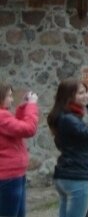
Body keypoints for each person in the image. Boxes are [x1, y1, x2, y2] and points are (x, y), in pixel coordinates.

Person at [48, 79, 88, 217]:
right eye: (80, 93)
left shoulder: (70, 117)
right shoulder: (68, 119)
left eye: (86, 91)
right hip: (76, 177)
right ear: (68, 96)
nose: (85, 95)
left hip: (69, 174)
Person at [0, 84, 39, 217]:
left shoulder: (4, 116)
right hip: (8, 178)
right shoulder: (1, 117)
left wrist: (23, 107)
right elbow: (28, 129)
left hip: (14, 175)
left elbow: (17, 127)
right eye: (9, 96)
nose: (12, 100)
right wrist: (32, 105)